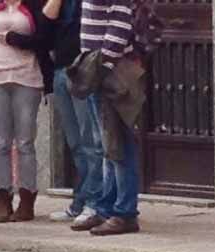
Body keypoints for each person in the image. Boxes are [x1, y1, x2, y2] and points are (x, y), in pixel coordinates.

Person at [72, 0, 153, 236]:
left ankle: (125, 213)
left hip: (111, 75)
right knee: (107, 146)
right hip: (94, 72)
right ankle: (106, 207)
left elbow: (117, 34)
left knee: (120, 146)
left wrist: (98, 69)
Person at [0, 0, 54, 223]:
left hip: (27, 78)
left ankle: (27, 198)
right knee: (1, 142)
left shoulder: (34, 6)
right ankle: (3, 196)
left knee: (25, 141)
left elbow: (44, 39)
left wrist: (17, 40)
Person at [42, 0, 104, 231]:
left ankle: (94, 203)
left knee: (91, 143)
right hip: (61, 71)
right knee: (75, 143)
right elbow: (44, 25)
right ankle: (80, 201)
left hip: (84, 71)